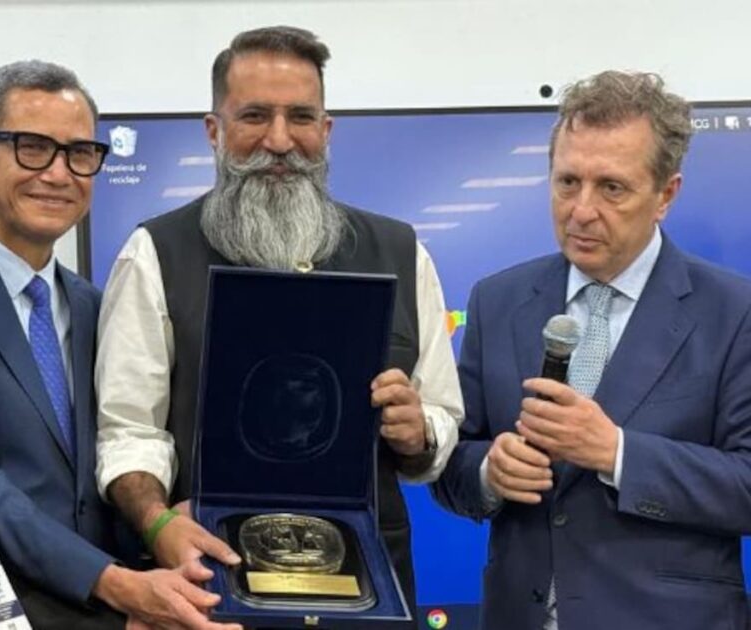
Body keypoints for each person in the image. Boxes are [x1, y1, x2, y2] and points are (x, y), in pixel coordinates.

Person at [95, 26, 464, 625]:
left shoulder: (401, 252)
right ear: (213, 131)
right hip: (208, 585)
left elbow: (442, 419)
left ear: (327, 129)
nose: (279, 140)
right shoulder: (154, 253)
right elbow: (128, 430)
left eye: (301, 117)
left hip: (371, 588)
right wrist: (157, 524)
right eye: (254, 116)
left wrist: (417, 430)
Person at [0, 60, 239, 630]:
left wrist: (170, 518)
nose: (59, 173)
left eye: (79, 153)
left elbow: (123, 451)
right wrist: (118, 585)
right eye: (33, 148)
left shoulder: (95, 305)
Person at [432, 70, 751, 629]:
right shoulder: (497, 299)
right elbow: (451, 462)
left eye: (611, 188)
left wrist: (616, 452)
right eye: (567, 182)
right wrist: (488, 472)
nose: (580, 210)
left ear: (665, 194)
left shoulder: (734, 311)